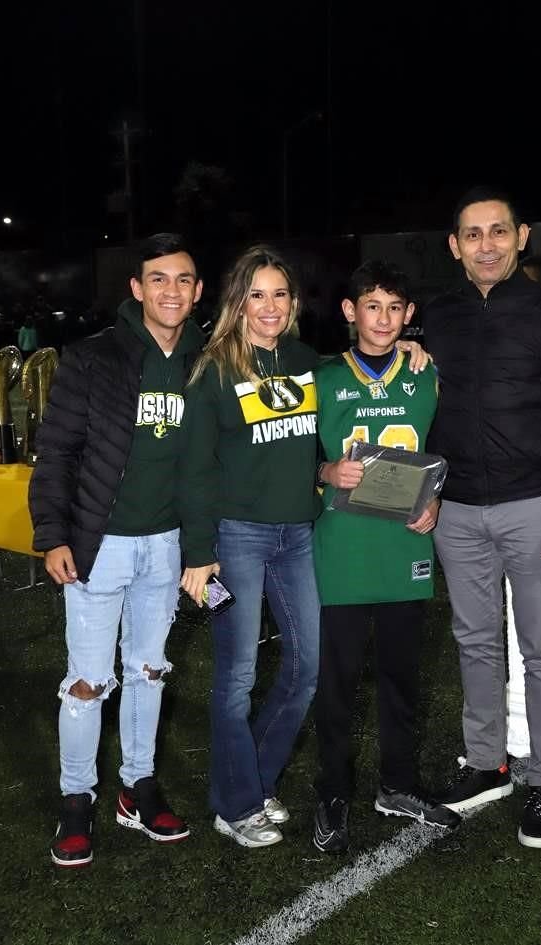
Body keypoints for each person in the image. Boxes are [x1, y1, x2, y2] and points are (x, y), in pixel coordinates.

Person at [421, 186, 541, 849]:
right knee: (474, 641)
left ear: (521, 236)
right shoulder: (436, 318)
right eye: (473, 234)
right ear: (455, 246)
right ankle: (486, 762)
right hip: (459, 509)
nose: (487, 244)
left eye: (498, 231)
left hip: (536, 504)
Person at [29, 232, 205, 867]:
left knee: (149, 672)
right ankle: (77, 799)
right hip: (98, 545)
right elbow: (58, 453)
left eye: (183, 279)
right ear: (136, 288)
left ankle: (138, 786)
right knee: (87, 681)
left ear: (198, 290)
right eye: (158, 279)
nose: (171, 290)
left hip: (166, 546)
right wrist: (51, 534)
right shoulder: (92, 358)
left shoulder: (207, 359)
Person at [311, 260, 461, 853]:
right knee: (337, 682)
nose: (384, 318)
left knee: (402, 677)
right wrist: (324, 469)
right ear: (350, 312)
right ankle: (333, 792)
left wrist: (440, 500)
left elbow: (446, 450)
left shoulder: (427, 373)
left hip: (405, 544)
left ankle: (397, 785)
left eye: (395, 308)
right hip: (342, 547)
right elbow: (289, 458)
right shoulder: (320, 377)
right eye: (372, 306)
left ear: (409, 316)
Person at [179, 245, 322, 849]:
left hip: (298, 535)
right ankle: (235, 805)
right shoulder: (212, 370)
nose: (269, 306)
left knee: (306, 669)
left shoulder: (307, 359)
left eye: (280, 294)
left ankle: (253, 782)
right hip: (235, 538)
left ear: (293, 302)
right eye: (256, 294)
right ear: (237, 302)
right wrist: (197, 553)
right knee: (236, 677)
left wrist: (412, 351)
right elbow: (195, 470)